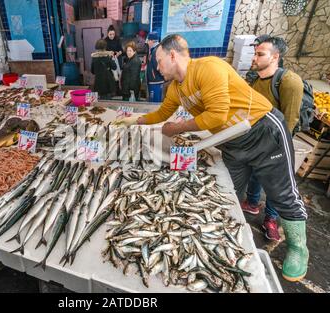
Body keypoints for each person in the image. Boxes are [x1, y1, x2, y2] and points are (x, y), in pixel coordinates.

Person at [115, 34, 309, 282]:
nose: (156, 67)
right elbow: (164, 112)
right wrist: (136, 120)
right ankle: (223, 243)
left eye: (159, 61)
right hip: (232, 141)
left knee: (281, 192)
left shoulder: (209, 67)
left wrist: (179, 128)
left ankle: (297, 248)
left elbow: (216, 115)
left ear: (172, 55)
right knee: (227, 192)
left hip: (262, 129)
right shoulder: (176, 88)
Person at [242, 35, 304, 242]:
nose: (255, 57)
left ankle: (271, 220)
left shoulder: (289, 81)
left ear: (275, 56)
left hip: (276, 143)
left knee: (275, 184)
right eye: (255, 53)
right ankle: (251, 203)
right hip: (255, 139)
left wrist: (274, 148)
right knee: (254, 175)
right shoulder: (254, 79)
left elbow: (291, 119)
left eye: (260, 54)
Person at [145, 32, 165, 102]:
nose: (147, 43)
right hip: (155, 82)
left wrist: (156, 77)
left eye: (148, 41)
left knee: (154, 104)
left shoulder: (155, 51)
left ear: (152, 41)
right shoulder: (154, 50)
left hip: (156, 83)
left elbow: (159, 67)